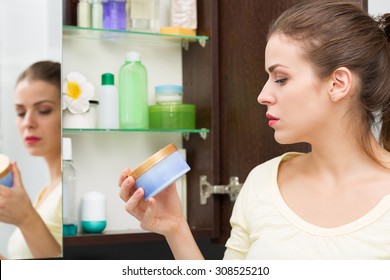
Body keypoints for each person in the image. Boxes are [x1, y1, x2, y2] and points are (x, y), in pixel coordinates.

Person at [118, 1, 390, 259]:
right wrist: (176, 227)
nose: (262, 95)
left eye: (281, 79)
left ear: (338, 84)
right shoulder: (262, 183)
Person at [0, 61, 62, 259]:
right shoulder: (46, 192)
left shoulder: (66, 190)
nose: (28, 122)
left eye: (43, 110)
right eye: (20, 112)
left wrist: (26, 217)